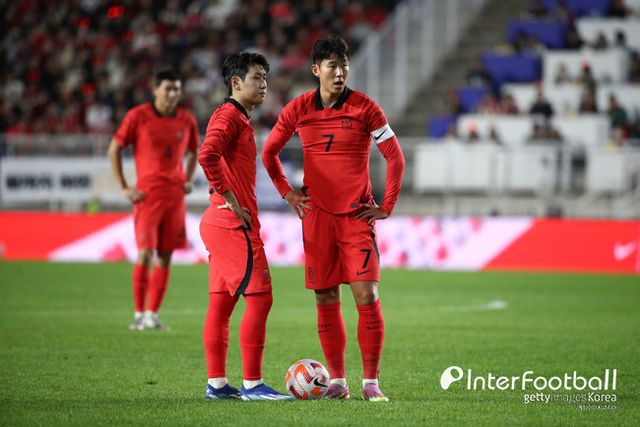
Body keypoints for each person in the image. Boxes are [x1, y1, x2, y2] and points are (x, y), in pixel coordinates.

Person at [262, 34, 405, 402]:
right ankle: (338, 381)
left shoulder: (366, 108)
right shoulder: (297, 109)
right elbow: (269, 153)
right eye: (332, 66)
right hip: (318, 218)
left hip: (356, 217)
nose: (339, 73)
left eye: (344, 66)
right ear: (316, 70)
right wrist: (288, 193)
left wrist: (386, 205)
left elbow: (395, 157)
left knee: (367, 294)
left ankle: (371, 382)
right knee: (326, 297)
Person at [198, 52, 291, 401]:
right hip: (232, 223)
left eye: (265, 77)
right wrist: (230, 198)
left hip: (219, 221)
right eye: (256, 77)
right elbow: (207, 154)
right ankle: (253, 385)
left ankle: (217, 384)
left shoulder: (236, 117)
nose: (264, 84)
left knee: (221, 306)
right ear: (236, 82)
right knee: (261, 297)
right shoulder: (229, 116)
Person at [108, 70, 199, 331]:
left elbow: (194, 151)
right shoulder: (138, 116)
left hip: (175, 196)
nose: (172, 93)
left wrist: (188, 178)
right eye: (168, 88)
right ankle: (138, 314)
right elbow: (114, 148)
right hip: (147, 196)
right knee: (145, 252)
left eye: (176, 89)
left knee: (166, 255)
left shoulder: (186, 119)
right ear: (155, 90)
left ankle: (152, 315)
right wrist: (124, 187)